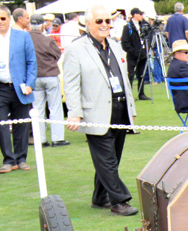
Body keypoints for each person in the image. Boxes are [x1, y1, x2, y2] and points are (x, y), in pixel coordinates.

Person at [63, 4, 138, 216]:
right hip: (94, 113)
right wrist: (74, 113)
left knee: (112, 157)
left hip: (120, 109)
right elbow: (71, 84)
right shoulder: (75, 49)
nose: (105, 25)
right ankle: (119, 200)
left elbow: (124, 80)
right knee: (107, 160)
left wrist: (131, 109)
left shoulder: (114, 46)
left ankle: (99, 197)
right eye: (99, 21)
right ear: (88, 24)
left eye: (107, 21)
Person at [0, 6, 37, 173]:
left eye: (2, 18)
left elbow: (31, 62)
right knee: (0, 125)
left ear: (9, 19)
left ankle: (21, 158)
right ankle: (8, 160)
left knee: (22, 125)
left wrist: (29, 83)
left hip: (20, 88)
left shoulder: (23, 36)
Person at [29, 14, 67, 147]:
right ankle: (57, 138)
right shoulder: (47, 40)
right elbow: (57, 54)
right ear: (42, 26)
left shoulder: (26, 40)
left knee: (37, 109)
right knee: (55, 107)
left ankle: (41, 139)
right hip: (49, 75)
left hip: (34, 77)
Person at [121, 8, 150, 100]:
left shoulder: (143, 25)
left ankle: (141, 93)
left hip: (142, 54)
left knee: (141, 74)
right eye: (140, 14)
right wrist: (133, 51)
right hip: (132, 55)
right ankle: (128, 94)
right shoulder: (128, 27)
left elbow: (149, 34)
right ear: (135, 15)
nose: (142, 16)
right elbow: (124, 42)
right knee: (131, 75)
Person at [167, 39, 188, 113]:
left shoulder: (172, 65)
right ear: (177, 53)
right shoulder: (182, 66)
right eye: (186, 52)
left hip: (179, 102)